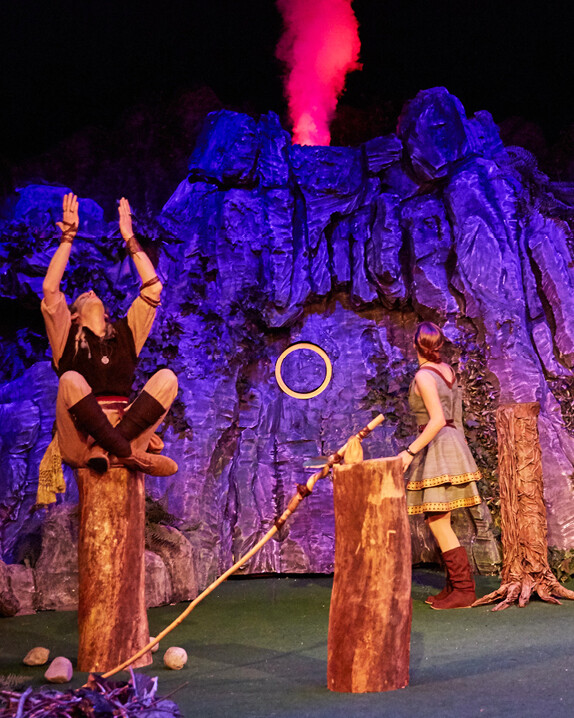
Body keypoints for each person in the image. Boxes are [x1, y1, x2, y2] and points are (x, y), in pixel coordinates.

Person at [41, 191, 178, 477]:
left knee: (167, 379)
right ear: (74, 315)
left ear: (106, 313)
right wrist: (67, 238)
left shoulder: (126, 334)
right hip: (79, 440)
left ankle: (108, 450)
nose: (91, 291)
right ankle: (127, 454)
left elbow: (153, 287)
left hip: (125, 427)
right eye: (83, 295)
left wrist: (129, 237)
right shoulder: (67, 337)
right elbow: (51, 290)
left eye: (92, 293)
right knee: (70, 380)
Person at [398, 322, 481, 609]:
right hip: (451, 441)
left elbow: (436, 420)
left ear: (415, 344)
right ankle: (454, 586)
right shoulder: (447, 370)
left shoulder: (424, 375)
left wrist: (409, 452)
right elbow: (454, 417)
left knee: (438, 520)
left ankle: (464, 589)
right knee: (438, 518)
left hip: (438, 443)